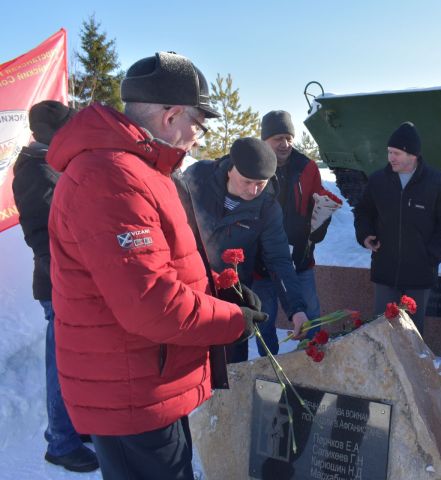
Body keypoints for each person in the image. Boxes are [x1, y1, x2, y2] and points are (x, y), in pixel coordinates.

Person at [46, 52, 268, 479]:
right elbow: (151, 303)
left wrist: (220, 295)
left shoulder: (139, 169)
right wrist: (232, 320)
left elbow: (157, 270)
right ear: (171, 115)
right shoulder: (110, 177)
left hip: (149, 381)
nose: (199, 138)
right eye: (198, 124)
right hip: (132, 392)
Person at [11, 101, 99, 473]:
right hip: (58, 282)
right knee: (63, 365)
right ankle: (60, 442)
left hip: (70, 279)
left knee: (77, 362)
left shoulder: (51, 164)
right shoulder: (35, 169)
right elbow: (50, 233)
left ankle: (74, 427)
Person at [176, 136, 309, 362]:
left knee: (230, 370)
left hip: (231, 300)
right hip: (185, 290)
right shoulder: (198, 177)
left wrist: (296, 308)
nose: (254, 190)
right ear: (231, 169)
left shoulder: (267, 209)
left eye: (261, 183)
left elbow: (279, 260)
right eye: (247, 181)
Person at [353, 121, 441, 334]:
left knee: (412, 335)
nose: (390, 158)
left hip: (419, 275)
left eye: (396, 153)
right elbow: (363, 212)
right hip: (385, 271)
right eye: (389, 152)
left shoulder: (438, 182)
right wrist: (365, 235)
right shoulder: (378, 181)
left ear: (413, 154)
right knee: (382, 332)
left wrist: (429, 256)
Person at [253, 110, 340, 355]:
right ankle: (270, 367)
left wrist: (320, 223)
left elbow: (317, 201)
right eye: (278, 138)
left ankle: (314, 361)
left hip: (300, 260)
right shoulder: (253, 166)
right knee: (265, 321)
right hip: (262, 266)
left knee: (311, 317)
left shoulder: (307, 166)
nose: (285, 144)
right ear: (264, 140)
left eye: (289, 137)